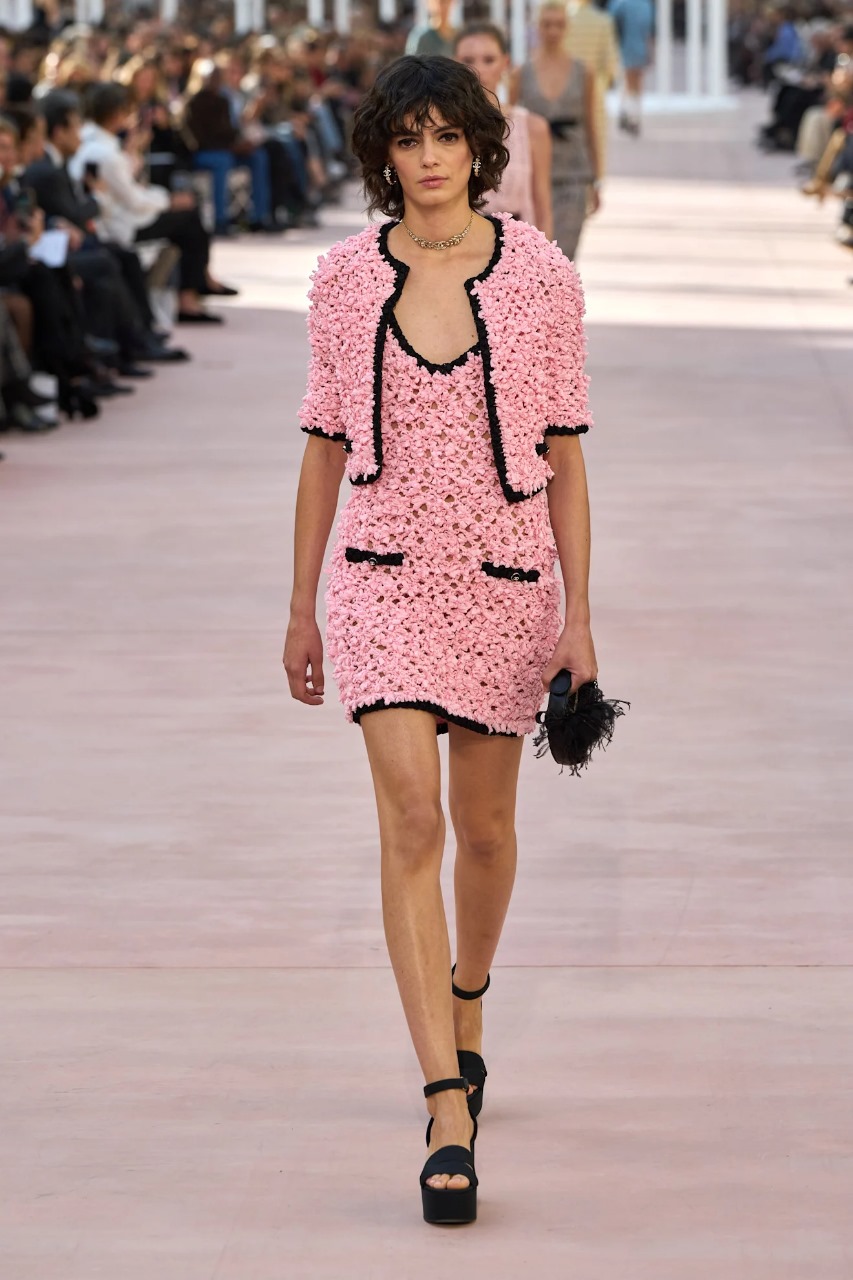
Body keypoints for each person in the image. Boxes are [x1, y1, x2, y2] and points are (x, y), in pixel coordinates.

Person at [283, 53, 597, 1225]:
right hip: (379, 582)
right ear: (382, 153)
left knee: (486, 828)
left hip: (504, 581)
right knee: (411, 817)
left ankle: (467, 996)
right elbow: (322, 445)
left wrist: (579, 615)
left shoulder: (540, 278)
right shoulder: (341, 279)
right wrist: (301, 603)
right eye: (407, 139)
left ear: (478, 148)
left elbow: (566, 454)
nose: (427, 159)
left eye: (446, 137)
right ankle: (444, 1106)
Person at [69, 83, 225, 324]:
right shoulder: (104, 152)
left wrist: (133, 151)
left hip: (119, 215)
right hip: (119, 224)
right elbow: (133, 199)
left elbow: (127, 185)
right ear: (117, 113)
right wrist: (168, 201)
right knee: (189, 221)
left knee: (186, 217)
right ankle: (188, 298)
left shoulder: (99, 143)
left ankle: (193, 288)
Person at [511, 1, 601, 260]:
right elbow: (511, 128)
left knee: (564, 256)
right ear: (537, 27)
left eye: (559, 25)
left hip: (574, 176)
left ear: (567, 28)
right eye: (547, 24)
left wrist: (596, 180)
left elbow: (590, 125)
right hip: (533, 177)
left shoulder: (583, 72)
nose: (553, 31)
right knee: (534, 256)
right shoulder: (521, 74)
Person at [454, 22, 553, 239]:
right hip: (457, 243)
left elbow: (542, 205)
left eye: (489, 60)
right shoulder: (444, 129)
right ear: (454, 64)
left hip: (518, 246)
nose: (479, 69)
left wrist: (547, 256)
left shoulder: (533, 127)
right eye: (468, 60)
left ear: (505, 63)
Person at [564, 0, 621, 175]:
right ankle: (594, 182)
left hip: (563, 89)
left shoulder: (562, 19)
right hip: (595, 93)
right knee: (595, 142)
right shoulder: (603, 21)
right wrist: (604, 83)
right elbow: (611, 64)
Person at [609, 0, 656, 136]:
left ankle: (629, 114)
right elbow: (651, 31)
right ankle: (631, 114)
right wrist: (651, 51)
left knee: (629, 83)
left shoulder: (620, 4)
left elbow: (612, 26)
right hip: (640, 48)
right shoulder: (646, 5)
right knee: (636, 84)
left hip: (624, 47)